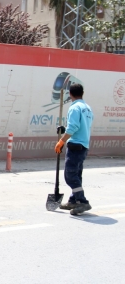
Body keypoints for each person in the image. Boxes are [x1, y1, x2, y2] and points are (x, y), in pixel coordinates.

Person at [54, 83, 94, 215]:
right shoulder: (87, 108)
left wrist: (61, 141)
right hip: (83, 145)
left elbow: (73, 128)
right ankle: (73, 200)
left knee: (70, 175)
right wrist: (65, 129)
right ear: (82, 93)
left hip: (75, 145)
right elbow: (80, 127)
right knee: (77, 174)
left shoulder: (74, 108)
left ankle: (82, 201)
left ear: (70, 94)